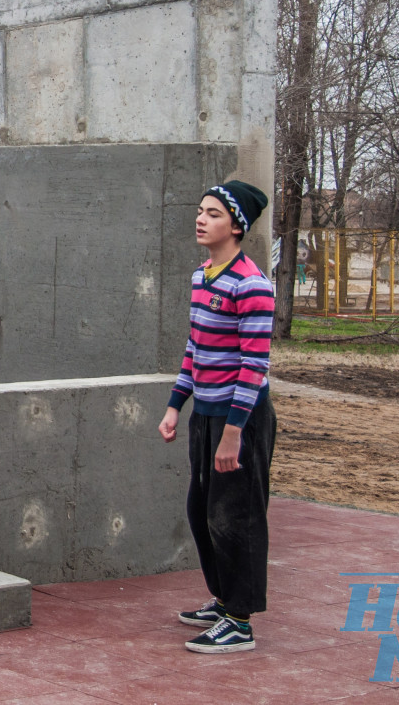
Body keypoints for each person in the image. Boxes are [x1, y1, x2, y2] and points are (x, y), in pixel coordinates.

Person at [158, 180, 276, 654]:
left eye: (213, 213)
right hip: (205, 412)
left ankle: (240, 621)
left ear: (237, 226)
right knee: (202, 510)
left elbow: (253, 367)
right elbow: (195, 348)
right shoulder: (202, 275)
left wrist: (233, 436)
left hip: (238, 418)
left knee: (236, 516)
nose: (201, 219)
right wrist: (175, 404)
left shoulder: (252, 285)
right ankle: (224, 598)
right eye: (200, 210)